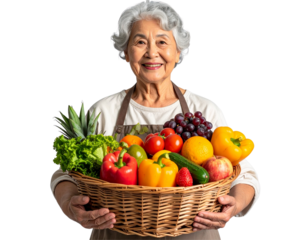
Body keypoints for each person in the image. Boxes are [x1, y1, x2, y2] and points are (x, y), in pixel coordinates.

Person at [49, 1, 261, 239]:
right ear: (126, 53)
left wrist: (233, 204)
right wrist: (69, 204)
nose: (151, 53)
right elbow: (65, 173)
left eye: (162, 42)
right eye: (140, 42)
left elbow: (244, 174)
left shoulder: (205, 109)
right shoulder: (103, 110)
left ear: (178, 51)